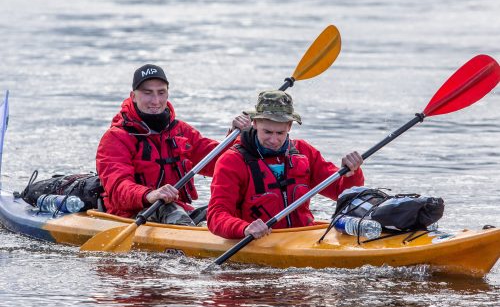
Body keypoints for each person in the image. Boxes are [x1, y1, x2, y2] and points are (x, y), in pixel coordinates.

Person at [96, 64, 250, 225]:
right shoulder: (115, 138)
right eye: (148, 93)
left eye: (161, 93)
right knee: (168, 208)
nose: (156, 100)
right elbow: (117, 187)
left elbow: (219, 163)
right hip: (129, 215)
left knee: (224, 210)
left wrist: (240, 136)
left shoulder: (180, 131)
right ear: (133, 96)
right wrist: (150, 195)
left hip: (178, 210)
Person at [207, 90, 364, 239]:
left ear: (289, 126)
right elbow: (216, 214)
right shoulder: (232, 160)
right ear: (254, 123)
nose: (274, 140)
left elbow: (344, 194)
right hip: (258, 240)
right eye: (267, 132)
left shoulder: (304, 151)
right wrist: (243, 228)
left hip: (301, 237)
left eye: (280, 133)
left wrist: (351, 173)